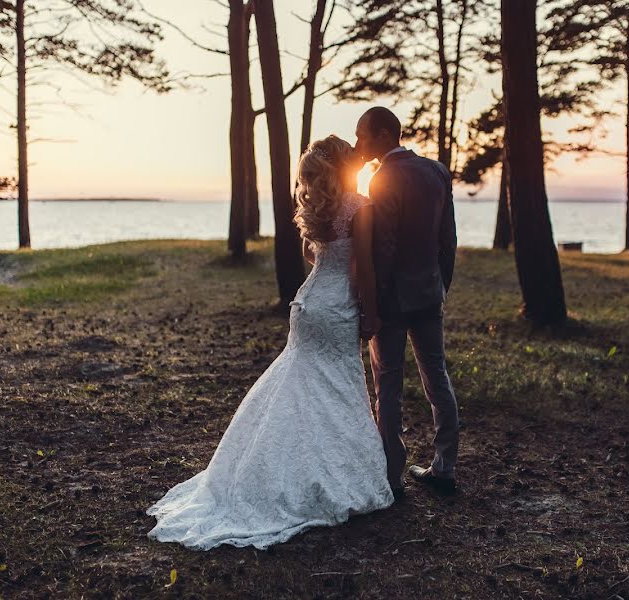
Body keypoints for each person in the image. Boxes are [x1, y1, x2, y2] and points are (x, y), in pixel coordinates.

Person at [146, 135, 393, 551]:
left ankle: (267, 468)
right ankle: (324, 476)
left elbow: (315, 258)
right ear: (343, 166)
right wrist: (371, 312)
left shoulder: (323, 209)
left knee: (300, 382)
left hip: (308, 303)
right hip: (338, 309)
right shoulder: (360, 207)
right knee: (335, 385)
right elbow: (364, 267)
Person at [354, 106, 459, 498]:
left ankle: (392, 475)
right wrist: (440, 285)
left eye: (363, 135)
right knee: (438, 378)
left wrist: (373, 305)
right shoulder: (436, 172)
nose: (359, 144)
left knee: (389, 384)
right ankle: (445, 467)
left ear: (383, 134)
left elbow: (384, 248)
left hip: (394, 300)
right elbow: (448, 238)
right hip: (430, 293)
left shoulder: (382, 179)